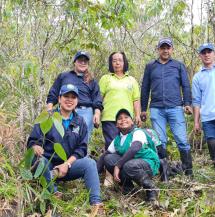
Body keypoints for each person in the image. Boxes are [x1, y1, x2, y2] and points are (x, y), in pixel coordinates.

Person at [27, 84, 104, 215]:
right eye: (66, 96)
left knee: (90, 163)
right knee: (40, 161)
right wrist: (36, 146)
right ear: (59, 98)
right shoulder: (48, 116)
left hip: (67, 166)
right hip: (47, 164)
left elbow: (81, 148)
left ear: (77, 101)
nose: (69, 100)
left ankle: (96, 205)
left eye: (73, 97)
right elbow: (33, 140)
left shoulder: (80, 121)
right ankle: (52, 195)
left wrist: (67, 164)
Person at [141, 37, 193, 176]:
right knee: (160, 142)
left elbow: (186, 85)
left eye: (168, 48)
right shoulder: (150, 66)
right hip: (156, 109)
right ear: (158, 49)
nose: (165, 50)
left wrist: (187, 103)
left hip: (175, 107)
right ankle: (164, 174)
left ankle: (189, 173)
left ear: (172, 49)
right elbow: (145, 88)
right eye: (162, 48)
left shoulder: (178, 65)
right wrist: (142, 109)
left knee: (182, 140)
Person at [97, 109, 160, 201]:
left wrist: (118, 165)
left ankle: (151, 188)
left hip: (148, 163)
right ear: (116, 124)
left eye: (126, 117)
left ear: (131, 121)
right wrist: (94, 172)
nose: (123, 120)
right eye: (119, 119)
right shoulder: (118, 139)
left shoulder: (137, 132)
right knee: (108, 158)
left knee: (129, 165)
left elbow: (135, 147)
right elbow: (105, 155)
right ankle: (128, 188)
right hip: (131, 164)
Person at [99, 51, 142, 185]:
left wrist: (138, 115)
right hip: (110, 117)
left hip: (127, 120)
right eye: (114, 60)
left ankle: (126, 174)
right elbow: (99, 98)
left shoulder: (131, 80)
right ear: (111, 63)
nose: (117, 62)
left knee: (128, 146)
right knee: (111, 146)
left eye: (120, 60)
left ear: (124, 62)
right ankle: (109, 174)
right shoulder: (106, 78)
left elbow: (136, 99)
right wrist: (97, 113)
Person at [46, 51, 103, 140]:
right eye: (80, 60)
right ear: (75, 62)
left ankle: (81, 154)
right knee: (60, 138)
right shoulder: (64, 76)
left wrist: (97, 114)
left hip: (85, 112)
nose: (83, 63)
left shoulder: (91, 80)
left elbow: (97, 98)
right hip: (64, 110)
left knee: (81, 140)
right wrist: (49, 109)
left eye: (85, 61)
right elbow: (54, 92)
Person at [192, 43, 215, 174]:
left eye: (209, 52)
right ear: (200, 56)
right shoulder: (197, 77)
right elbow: (196, 101)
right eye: (204, 52)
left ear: (214, 54)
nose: (207, 54)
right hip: (208, 119)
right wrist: (196, 122)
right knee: (214, 149)